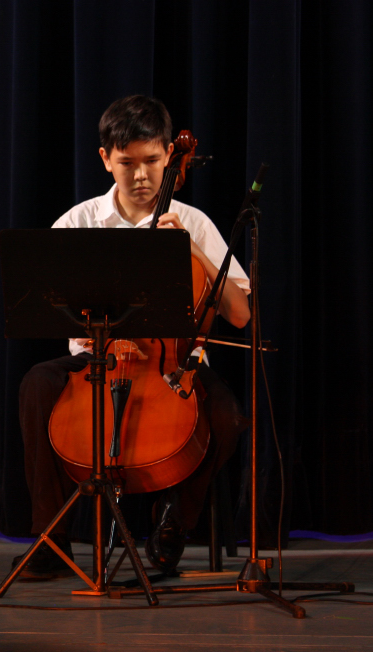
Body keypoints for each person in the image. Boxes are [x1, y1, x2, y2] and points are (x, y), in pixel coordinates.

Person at [16, 95, 250, 578]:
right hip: (95, 361)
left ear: (170, 156)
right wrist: (101, 337)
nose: (142, 176)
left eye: (152, 162)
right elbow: (51, 307)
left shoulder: (194, 222)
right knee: (37, 383)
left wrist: (191, 247)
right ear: (105, 159)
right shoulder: (79, 222)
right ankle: (50, 540)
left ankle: (173, 525)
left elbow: (241, 315)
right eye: (127, 163)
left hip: (175, 367)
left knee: (226, 418)